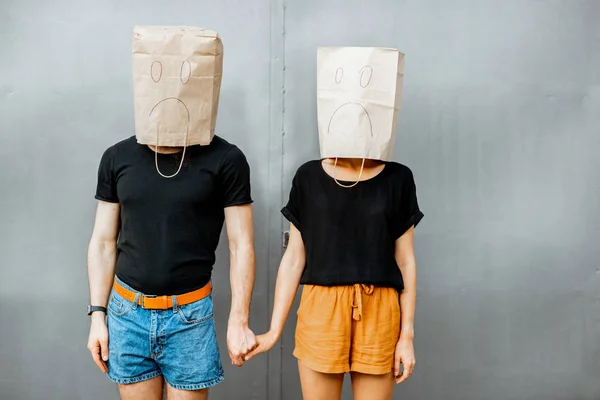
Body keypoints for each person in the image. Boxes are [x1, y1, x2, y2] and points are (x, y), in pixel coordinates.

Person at [86, 26, 257, 400]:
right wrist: (97, 315)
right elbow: (102, 242)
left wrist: (238, 320)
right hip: (126, 312)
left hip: (190, 317)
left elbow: (241, 244)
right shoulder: (117, 157)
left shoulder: (226, 160)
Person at [245, 47, 423, 400]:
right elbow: (294, 259)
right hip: (321, 308)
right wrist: (274, 330)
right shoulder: (308, 177)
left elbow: (406, 261)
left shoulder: (399, 179)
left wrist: (406, 336)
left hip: (380, 309)